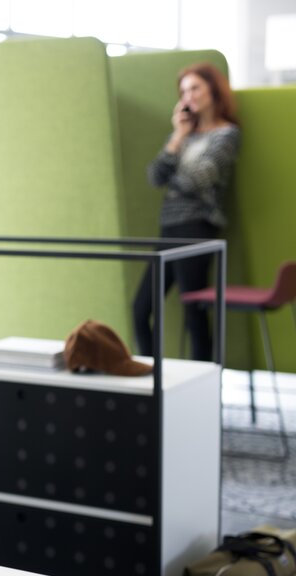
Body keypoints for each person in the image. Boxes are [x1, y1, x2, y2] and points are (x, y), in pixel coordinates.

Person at [132, 62, 241, 362]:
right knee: (140, 310)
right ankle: (153, 384)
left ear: (212, 90)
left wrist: (174, 178)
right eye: (183, 91)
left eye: (195, 88)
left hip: (197, 227)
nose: (189, 96)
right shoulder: (184, 134)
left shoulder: (226, 135)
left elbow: (197, 180)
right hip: (169, 227)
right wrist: (178, 135)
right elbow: (155, 176)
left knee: (194, 314)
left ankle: (201, 388)